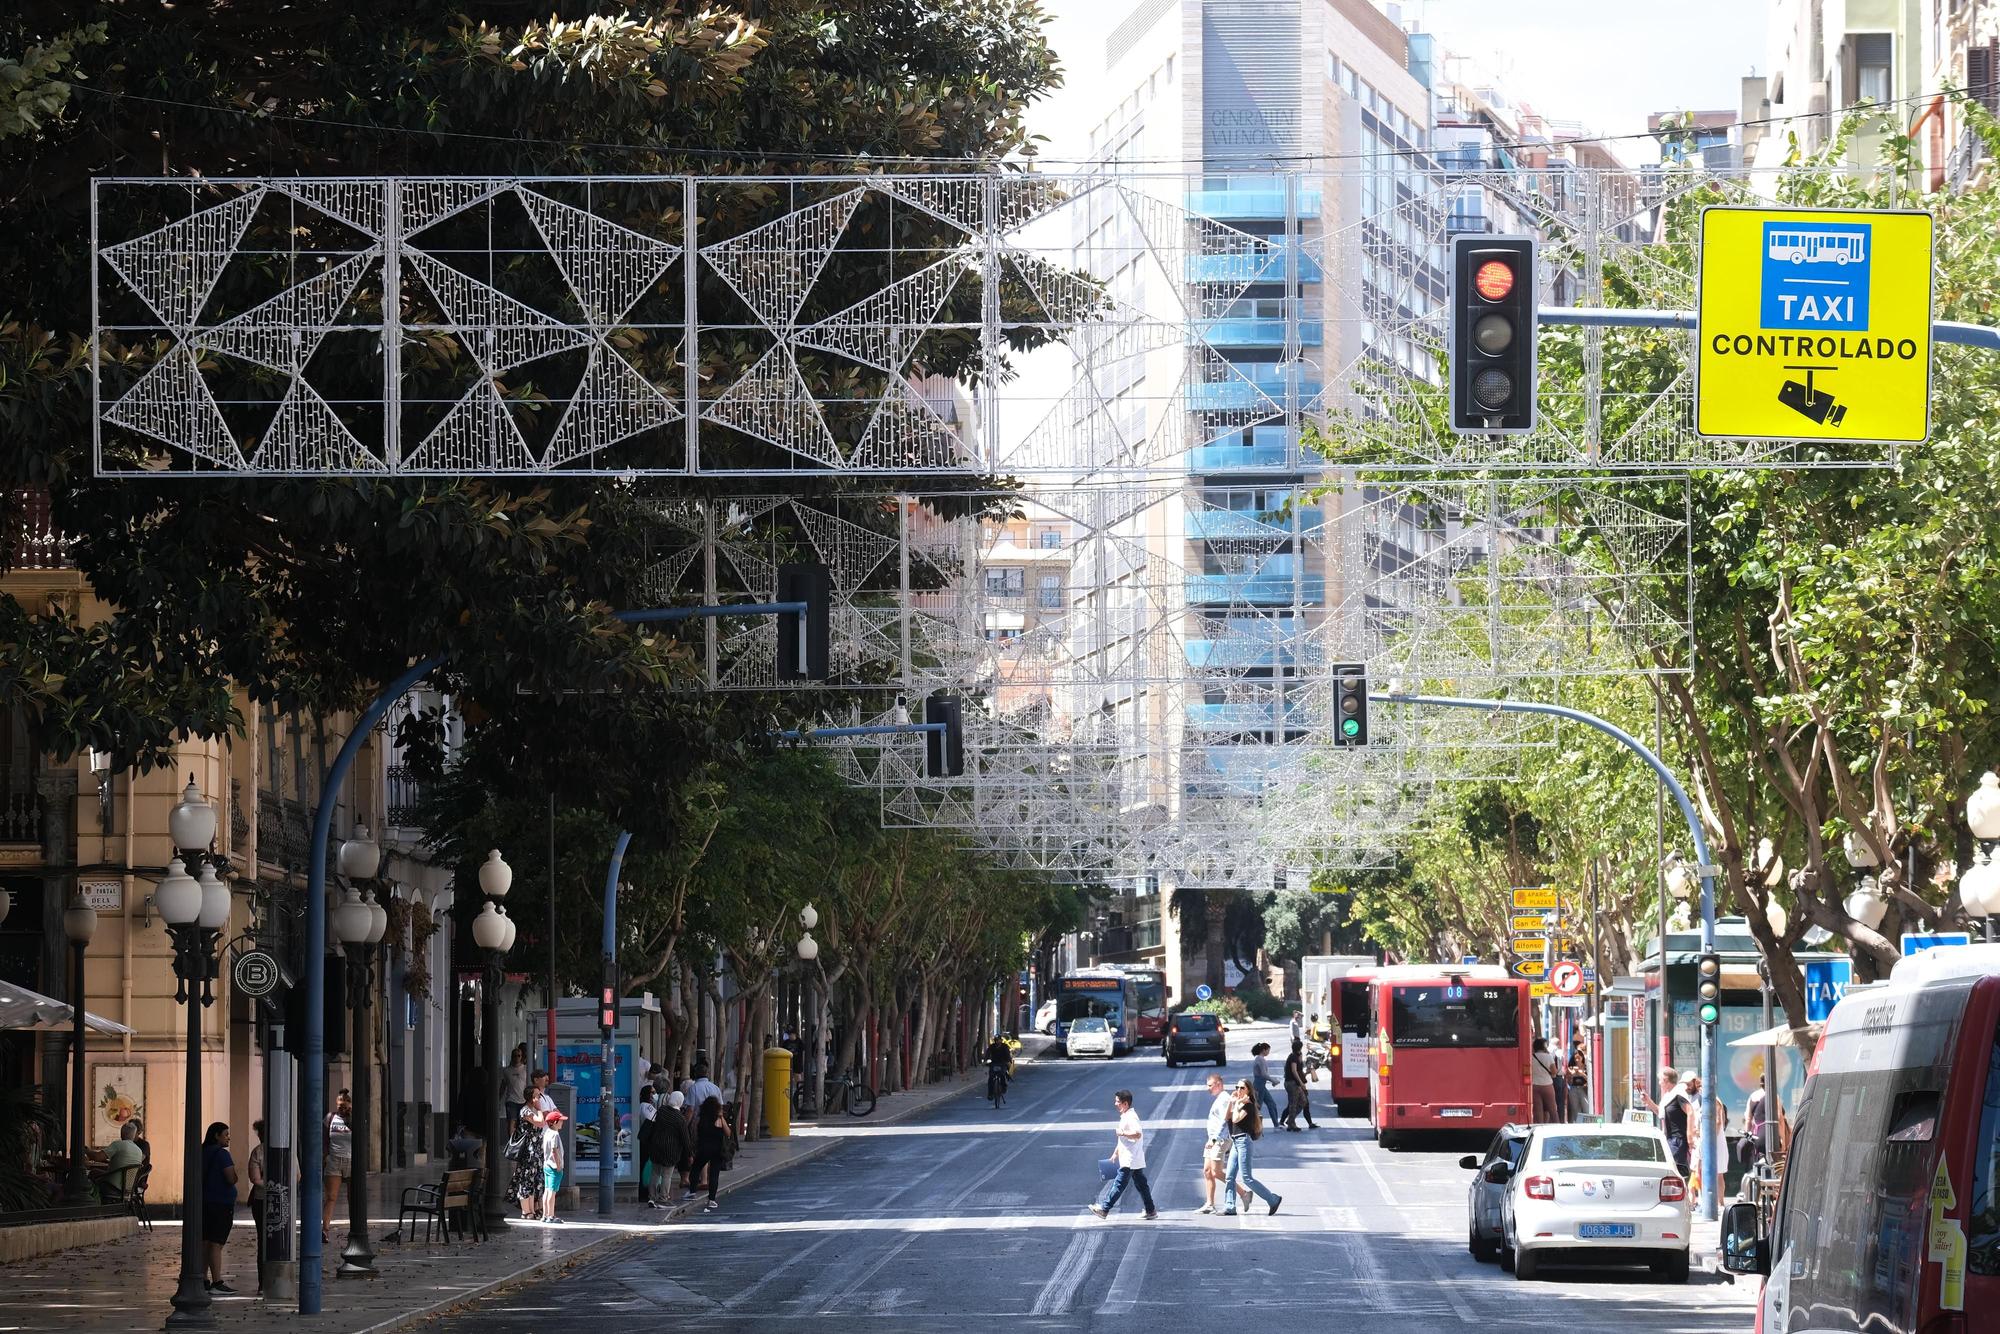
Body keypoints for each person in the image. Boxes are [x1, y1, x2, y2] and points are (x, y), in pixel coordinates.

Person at [1089, 1089, 1158, 1220]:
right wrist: (1115, 1153)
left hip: (1130, 1159)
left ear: (1125, 1104)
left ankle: (1104, 1209)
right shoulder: (1126, 1116)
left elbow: (1137, 1134)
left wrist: (1122, 1133)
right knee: (1142, 1185)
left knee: (1119, 1184)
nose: (1115, 1104)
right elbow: (1123, 1140)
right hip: (1133, 1158)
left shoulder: (1131, 1117)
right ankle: (1151, 1210)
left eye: (1118, 1102)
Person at [1223, 1079, 1280, 1217]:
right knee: (1229, 1177)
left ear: (1248, 1090)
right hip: (1235, 1142)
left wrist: (1237, 1103)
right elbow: (1227, 1117)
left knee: (1247, 1177)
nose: (1238, 1090)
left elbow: (1236, 1119)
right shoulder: (1238, 1103)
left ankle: (1273, 1199)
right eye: (1237, 1087)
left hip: (1244, 1142)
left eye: (1242, 1088)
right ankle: (1230, 1207)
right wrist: (1231, 1102)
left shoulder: (1248, 1105)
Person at [201, 1122, 238, 1294]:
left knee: (206, 1241)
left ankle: (203, 1278)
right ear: (216, 1135)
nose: (228, 1137)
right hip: (221, 1203)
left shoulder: (201, 1153)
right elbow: (231, 1178)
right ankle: (217, 1281)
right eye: (226, 1134)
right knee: (216, 1243)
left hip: (205, 1202)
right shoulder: (222, 1155)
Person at [513, 1070, 555, 1220]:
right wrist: (539, 1109)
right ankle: (526, 1211)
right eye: (537, 1096)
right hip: (528, 1150)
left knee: (535, 1179)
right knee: (526, 1179)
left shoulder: (533, 1109)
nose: (539, 1098)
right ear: (531, 1098)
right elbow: (541, 1122)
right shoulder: (525, 1110)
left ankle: (533, 1209)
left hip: (536, 1149)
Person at [647, 1090, 692, 1209]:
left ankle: (652, 1197)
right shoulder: (680, 1119)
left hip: (656, 1147)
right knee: (667, 1175)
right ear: (680, 1102)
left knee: (655, 1173)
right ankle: (663, 1199)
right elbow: (685, 1139)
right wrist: (689, 1154)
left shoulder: (661, 1111)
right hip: (670, 1151)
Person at [687, 1095, 728, 1212]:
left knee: (695, 1168)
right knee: (714, 1174)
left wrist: (694, 1146)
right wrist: (722, 1118)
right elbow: (728, 1133)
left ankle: (692, 1191)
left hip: (704, 1149)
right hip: (717, 1150)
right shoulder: (719, 1119)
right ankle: (712, 1200)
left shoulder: (700, 1119)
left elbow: (694, 1132)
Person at [1197, 1072, 1230, 1215]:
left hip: (1219, 1139)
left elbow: (1225, 1120)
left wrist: (1214, 1139)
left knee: (1216, 1172)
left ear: (1218, 1084)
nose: (1208, 1088)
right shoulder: (1219, 1098)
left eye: (1210, 1085)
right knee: (1207, 1171)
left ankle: (1243, 1193)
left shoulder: (1224, 1099)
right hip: (1213, 1139)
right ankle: (1210, 1203)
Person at [323, 1090, 353, 1244]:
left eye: (346, 1107)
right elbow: (324, 1139)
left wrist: (350, 1119)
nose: (342, 1110)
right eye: (340, 1107)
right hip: (334, 1161)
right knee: (331, 1197)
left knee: (352, 1198)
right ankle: (325, 1230)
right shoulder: (331, 1118)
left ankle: (355, 1230)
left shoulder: (354, 1119)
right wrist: (325, 1157)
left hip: (351, 1162)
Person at [97, 1119, 145, 1201]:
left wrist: (86, 1150)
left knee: (93, 1173)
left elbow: (97, 1157)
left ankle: (93, 1207)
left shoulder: (118, 1144)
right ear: (134, 1135)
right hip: (128, 1190)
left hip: (112, 1187)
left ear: (121, 1133)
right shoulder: (139, 1151)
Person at [247, 1121, 267, 1297]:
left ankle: (263, 1283)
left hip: (261, 1200)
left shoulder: (258, 1152)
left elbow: (255, 1179)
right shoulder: (288, 1150)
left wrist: (268, 1186)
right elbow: (297, 1176)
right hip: (283, 1199)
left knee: (263, 1240)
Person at [1281, 1038, 1317, 1130]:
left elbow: (1299, 1072)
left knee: (1303, 1101)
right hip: (1291, 1083)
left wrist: (1307, 1073)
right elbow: (1294, 1071)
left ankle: (1290, 1120)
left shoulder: (1297, 1056)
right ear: (1299, 1048)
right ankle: (1291, 1124)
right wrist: (1301, 1083)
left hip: (1295, 1083)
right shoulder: (1293, 1057)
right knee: (1293, 1104)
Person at [539, 1109, 566, 1225]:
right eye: (560, 1121)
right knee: (552, 1192)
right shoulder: (555, 1134)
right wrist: (559, 1165)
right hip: (554, 1166)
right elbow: (555, 1151)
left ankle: (545, 1215)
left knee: (547, 1190)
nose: (562, 1123)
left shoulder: (546, 1133)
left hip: (547, 1165)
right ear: (554, 1122)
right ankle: (551, 1215)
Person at [1530, 1038, 1562, 1123]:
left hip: (1535, 1086)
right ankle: (1557, 1128)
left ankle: (1539, 1128)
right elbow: (1554, 1071)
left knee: (1538, 1111)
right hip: (1547, 1085)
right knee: (1552, 1110)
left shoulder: (1531, 1057)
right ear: (1544, 1046)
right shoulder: (1548, 1057)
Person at [502, 1043, 531, 1127]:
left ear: (521, 1057)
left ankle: (520, 1139)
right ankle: (511, 1139)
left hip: (524, 1100)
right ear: (512, 1057)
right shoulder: (506, 1071)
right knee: (512, 1121)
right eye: (515, 1056)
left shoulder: (526, 1069)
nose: (517, 1057)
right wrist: (498, 1098)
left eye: (518, 1055)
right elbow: (503, 1086)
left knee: (522, 1122)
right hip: (511, 1100)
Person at [985, 1033, 1012, 1104]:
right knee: (991, 1078)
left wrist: (1008, 1061)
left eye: (998, 1040)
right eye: (996, 1040)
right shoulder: (991, 1047)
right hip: (993, 1063)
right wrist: (986, 1060)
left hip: (1002, 1063)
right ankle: (990, 1093)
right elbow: (987, 1054)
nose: (997, 1041)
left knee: (1003, 1075)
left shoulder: (1005, 1046)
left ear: (1001, 1040)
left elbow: (1008, 1055)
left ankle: (1003, 1087)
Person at [1565, 1042, 1589, 1118]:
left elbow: (1590, 1080)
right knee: (1575, 1110)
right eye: (1576, 1058)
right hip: (1574, 1089)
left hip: (1584, 1089)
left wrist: (1582, 1074)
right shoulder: (1571, 1067)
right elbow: (1568, 1082)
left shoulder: (1586, 1067)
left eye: (1579, 1058)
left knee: (1586, 1108)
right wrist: (1572, 1075)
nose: (1577, 1060)